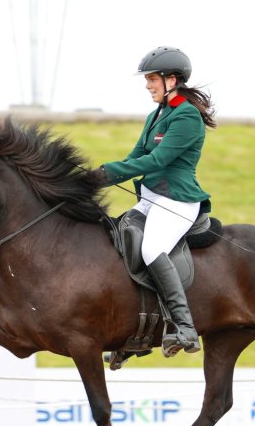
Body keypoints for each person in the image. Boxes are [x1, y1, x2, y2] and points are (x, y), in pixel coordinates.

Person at [89, 46, 216, 355]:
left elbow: (157, 160)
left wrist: (108, 173)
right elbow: (135, 157)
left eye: (152, 79)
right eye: (147, 80)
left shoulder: (187, 115)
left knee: (151, 249)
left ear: (172, 80)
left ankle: (185, 328)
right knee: (119, 242)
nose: (147, 86)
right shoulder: (156, 114)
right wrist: (95, 178)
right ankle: (135, 332)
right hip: (150, 199)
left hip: (176, 201)